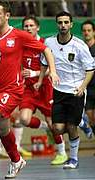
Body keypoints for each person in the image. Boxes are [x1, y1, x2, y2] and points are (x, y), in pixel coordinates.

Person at [0, 1, 59, 178]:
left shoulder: (19, 36)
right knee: (3, 129)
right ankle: (16, 160)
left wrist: (52, 71)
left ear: (7, 16)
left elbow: (46, 50)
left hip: (13, 90)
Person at [37, 11, 95, 169]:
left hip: (76, 91)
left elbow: (90, 69)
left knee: (71, 127)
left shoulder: (79, 45)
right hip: (58, 91)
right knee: (57, 128)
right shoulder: (49, 43)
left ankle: (73, 159)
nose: (63, 25)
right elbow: (43, 63)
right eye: (60, 22)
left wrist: (82, 87)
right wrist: (41, 80)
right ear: (57, 24)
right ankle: (82, 121)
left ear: (71, 24)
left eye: (66, 22)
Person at [19, 16, 68, 164]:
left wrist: (34, 73)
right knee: (24, 119)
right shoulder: (21, 45)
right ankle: (44, 127)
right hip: (29, 89)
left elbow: (54, 68)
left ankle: (62, 153)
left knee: (54, 123)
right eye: (26, 26)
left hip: (45, 88)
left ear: (37, 28)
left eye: (31, 25)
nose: (28, 28)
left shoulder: (45, 44)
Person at [81, 20, 95, 137]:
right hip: (88, 88)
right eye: (84, 31)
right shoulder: (81, 49)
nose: (86, 33)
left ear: (93, 32)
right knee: (91, 118)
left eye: (89, 30)